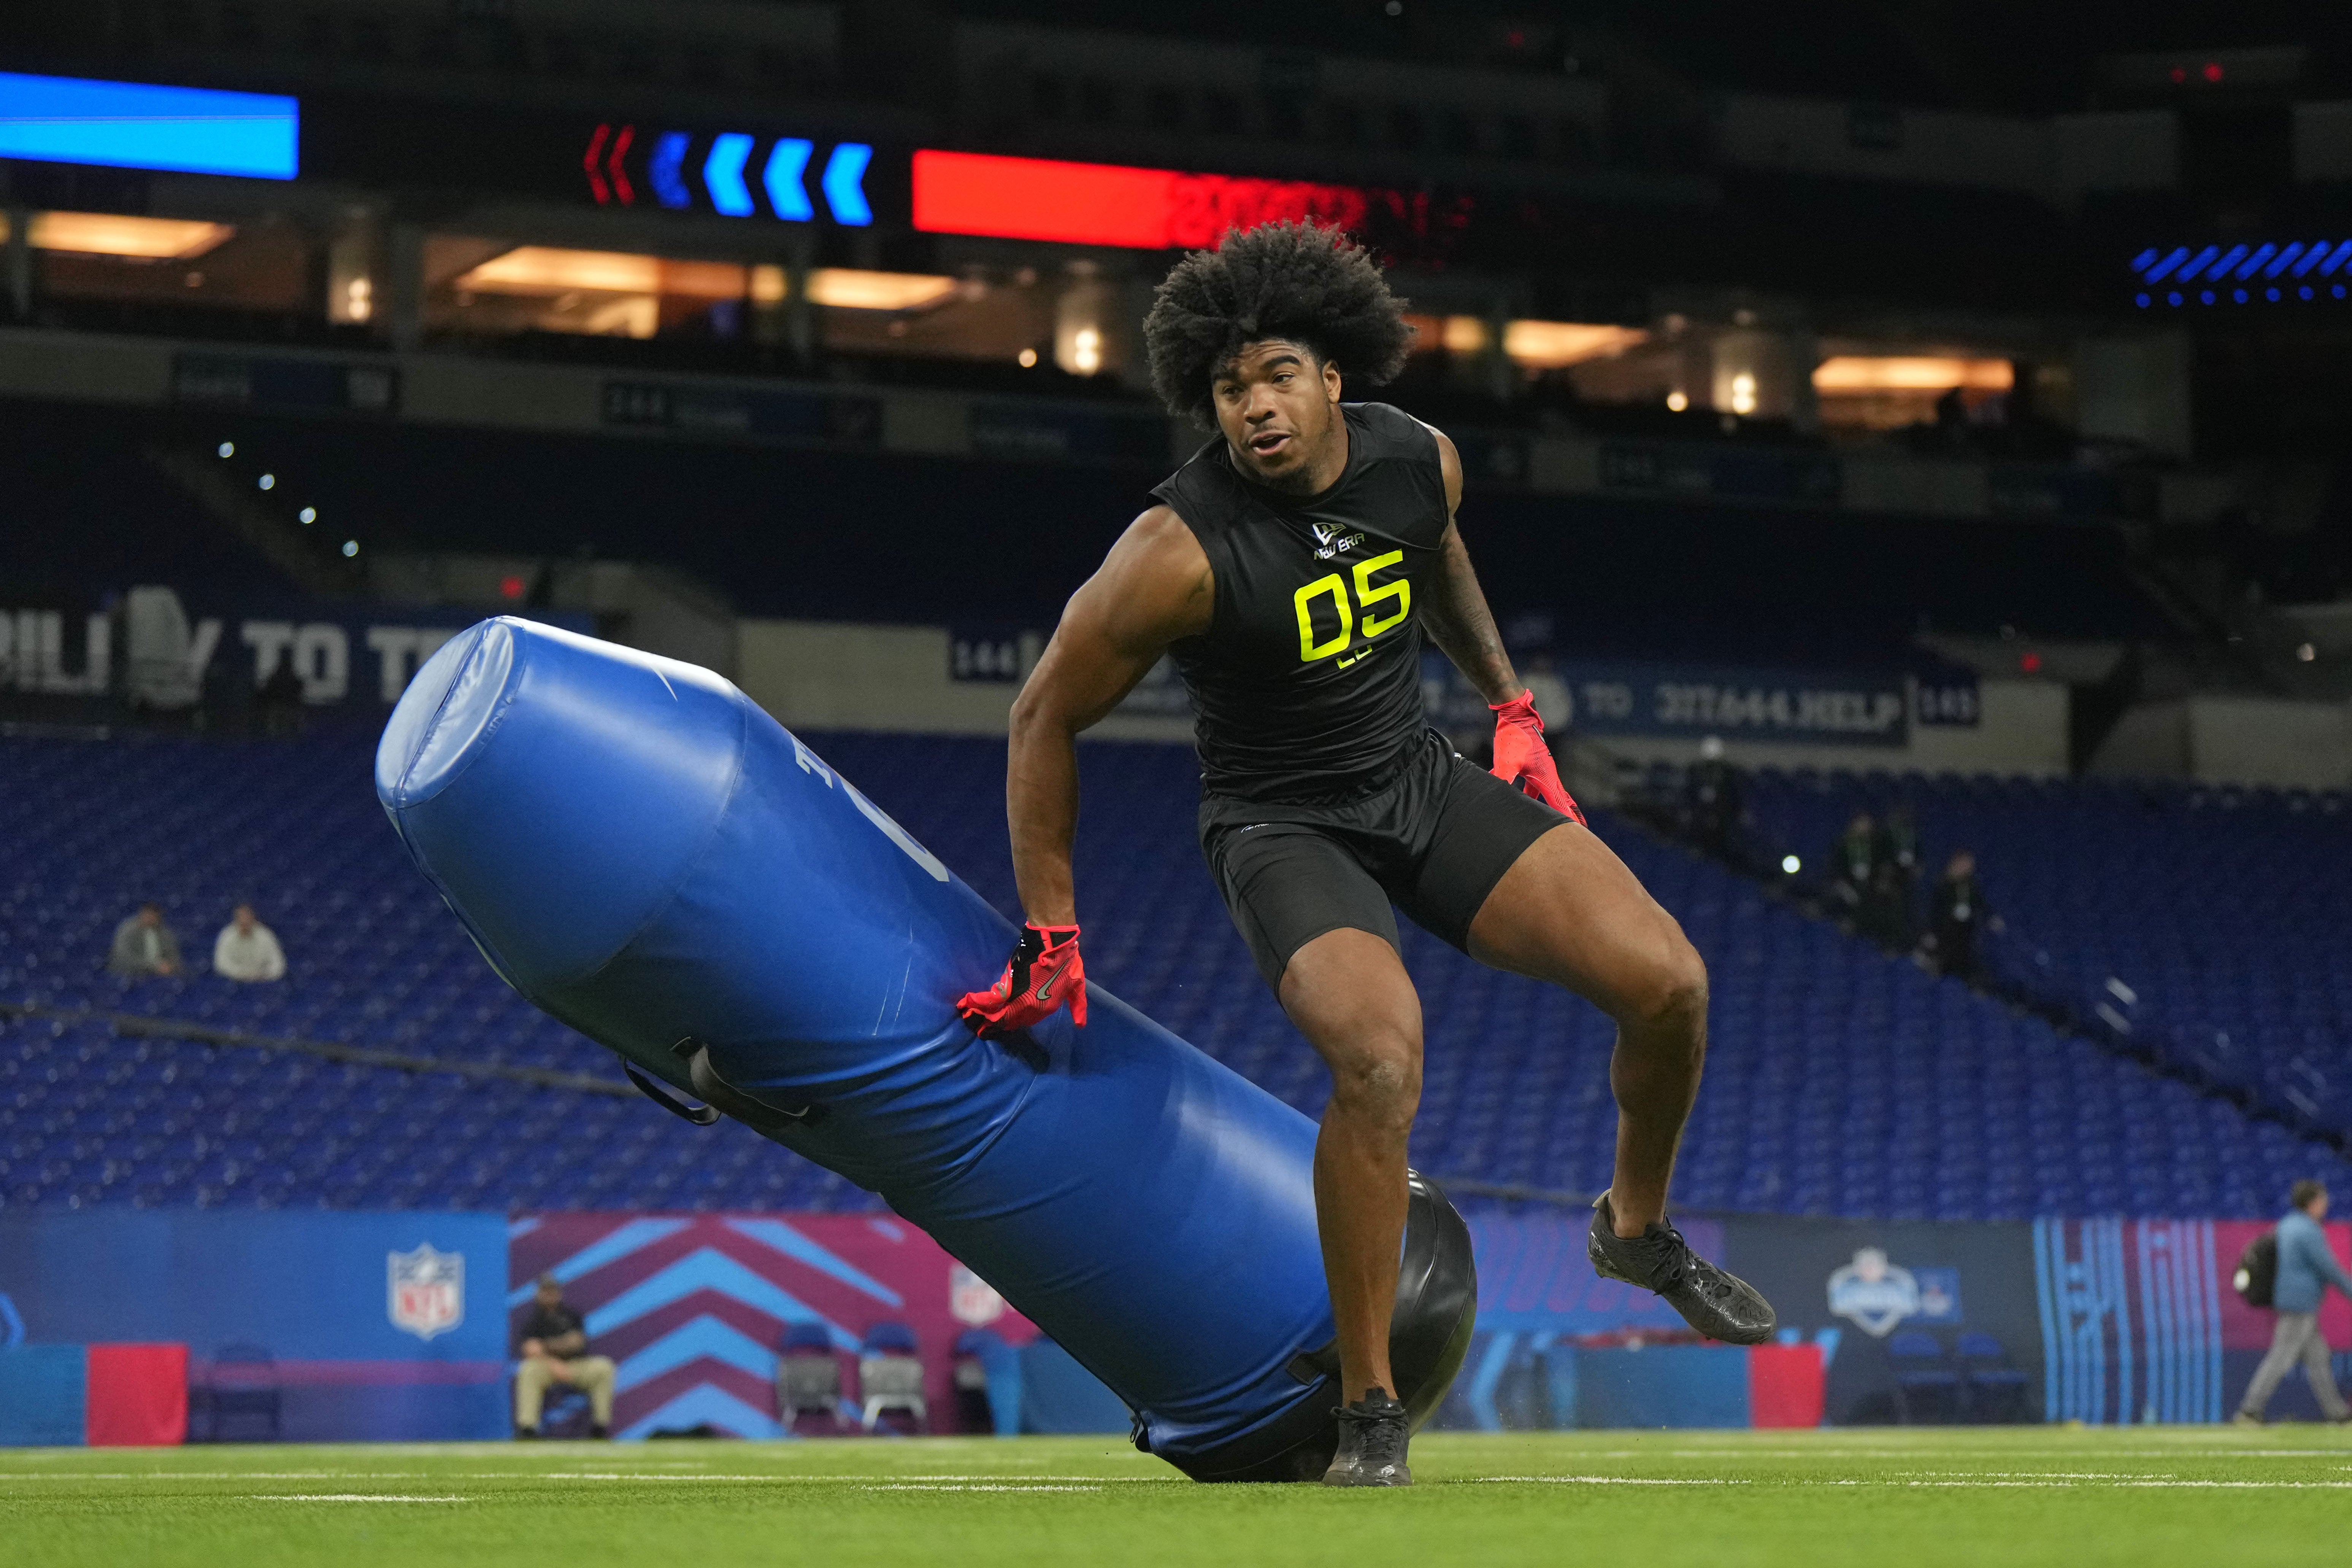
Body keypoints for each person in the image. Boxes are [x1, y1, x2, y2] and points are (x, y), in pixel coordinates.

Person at [957, 221, 1774, 1488]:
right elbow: (1040, 714)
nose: (1253, 408)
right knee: (1379, 1061)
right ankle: (1368, 1404)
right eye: (1228, 390)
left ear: (1332, 379)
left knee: (1667, 983)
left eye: (1275, 375)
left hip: (1414, 782)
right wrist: (1050, 923)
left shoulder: (1414, 458)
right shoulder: (1175, 550)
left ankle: (1637, 1227)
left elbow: (1433, 550)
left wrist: (1506, 708)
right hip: (1281, 826)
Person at [2235, 1181, 2352, 1425]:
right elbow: (2328, 1267)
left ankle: (2338, 1413)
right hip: (2300, 1304)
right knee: (2281, 1357)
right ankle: (2250, 1410)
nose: (2326, 1204)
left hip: (2293, 1301)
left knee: (2318, 1358)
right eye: (2322, 1199)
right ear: (2313, 1203)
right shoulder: (2308, 1230)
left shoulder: (2286, 1225)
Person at [514, 1273, 616, 1439]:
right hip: (546, 1367)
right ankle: (528, 1429)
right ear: (538, 1294)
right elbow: (530, 1351)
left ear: (559, 1293)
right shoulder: (532, 1321)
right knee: (528, 1370)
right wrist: (554, 1361)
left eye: (552, 1291)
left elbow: (576, 1343)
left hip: (576, 1366)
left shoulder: (571, 1316)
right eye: (545, 1291)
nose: (549, 1295)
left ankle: (600, 1427)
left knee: (604, 1367)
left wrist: (545, 1346)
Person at [1923, 849, 2000, 981]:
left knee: (1964, 962)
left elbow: (1979, 903)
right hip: (1947, 930)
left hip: (1965, 930)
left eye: (1969, 865)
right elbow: (1936, 910)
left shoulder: (1971, 885)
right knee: (1945, 963)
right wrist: (1932, 932)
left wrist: (1990, 917)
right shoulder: (1944, 885)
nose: (1967, 868)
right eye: (1964, 864)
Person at [211, 903, 287, 983]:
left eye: (247, 918)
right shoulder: (227, 936)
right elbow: (221, 964)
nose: (245, 921)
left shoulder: (266, 936)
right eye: (241, 918)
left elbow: (278, 963)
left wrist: (265, 975)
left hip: (263, 983)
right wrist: (242, 975)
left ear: (253, 918)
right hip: (234, 983)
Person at [107, 902, 183, 978]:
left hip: (158, 974)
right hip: (129, 973)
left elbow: (173, 954)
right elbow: (123, 956)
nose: (151, 919)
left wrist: (172, 967)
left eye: (155, 917)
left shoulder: (165, 933)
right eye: (148, 915)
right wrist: (153, 966)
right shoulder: (127, 931)